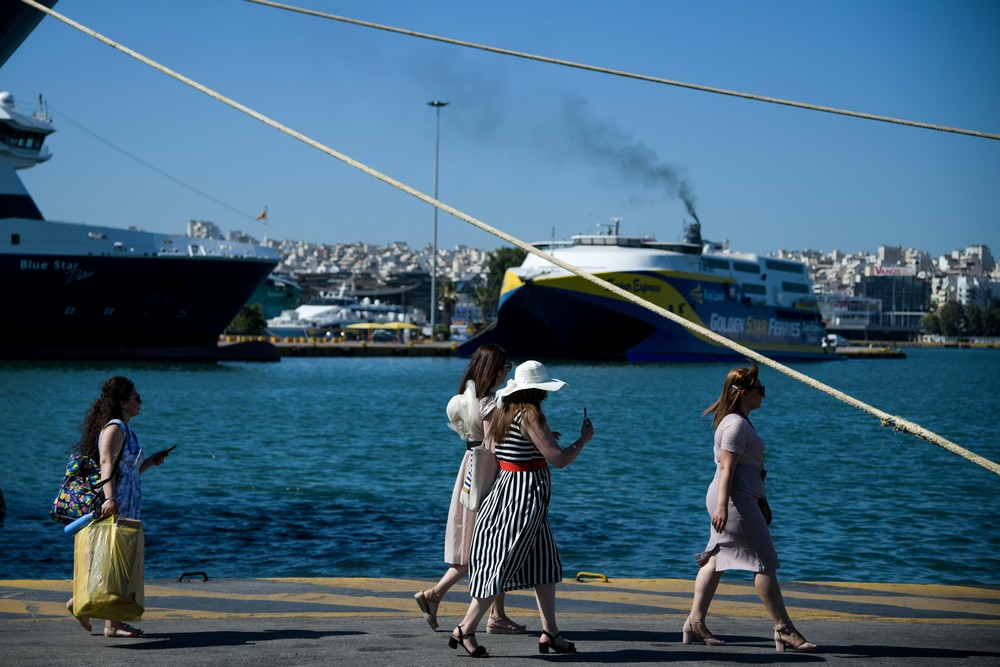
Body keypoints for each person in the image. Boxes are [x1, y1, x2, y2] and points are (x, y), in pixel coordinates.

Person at [448, 360, 594, 658]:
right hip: (523, 499)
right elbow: (559, 459)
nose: (546, 395)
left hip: (509, 492)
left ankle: (550, 632)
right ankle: (465, 628)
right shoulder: (531, 414)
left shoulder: (505, 412)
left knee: (545, 565)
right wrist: (583, 439)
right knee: (501, 564)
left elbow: (509, 448)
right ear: (537, 391)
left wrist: (543, 441)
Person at [684, 361, 818, 652]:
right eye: (760, 390)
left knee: (716, 559)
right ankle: (783, 629)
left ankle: (695, 622)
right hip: (734, 499)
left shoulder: (736, 421)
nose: (763, 396)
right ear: (745, 393)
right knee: (764, 562)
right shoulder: (735, 426)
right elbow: (728, 470)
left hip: (734, 497)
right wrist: (722, 507)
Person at [414, 344, 525, 635]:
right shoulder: (489, 403)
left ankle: (496, 614)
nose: (506, 372)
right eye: (506, 367)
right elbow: (493, 444)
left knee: (483, 547)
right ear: (495, 370)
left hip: (469, 466)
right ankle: (436, 594)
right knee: (490, 547)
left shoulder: (466, 398)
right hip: (487, 472)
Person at [66, 376, 172, 638]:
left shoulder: (127, 430)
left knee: (115, 562)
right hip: (115, 507)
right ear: (123, 402)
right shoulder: (114, 428)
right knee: (113, 562)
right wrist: (110, 499)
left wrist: (149, 462)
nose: (140, 401)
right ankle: (81, 604)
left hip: (126, 507)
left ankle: (109, 622)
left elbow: (128, 471)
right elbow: (106, 462)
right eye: (136, 396)